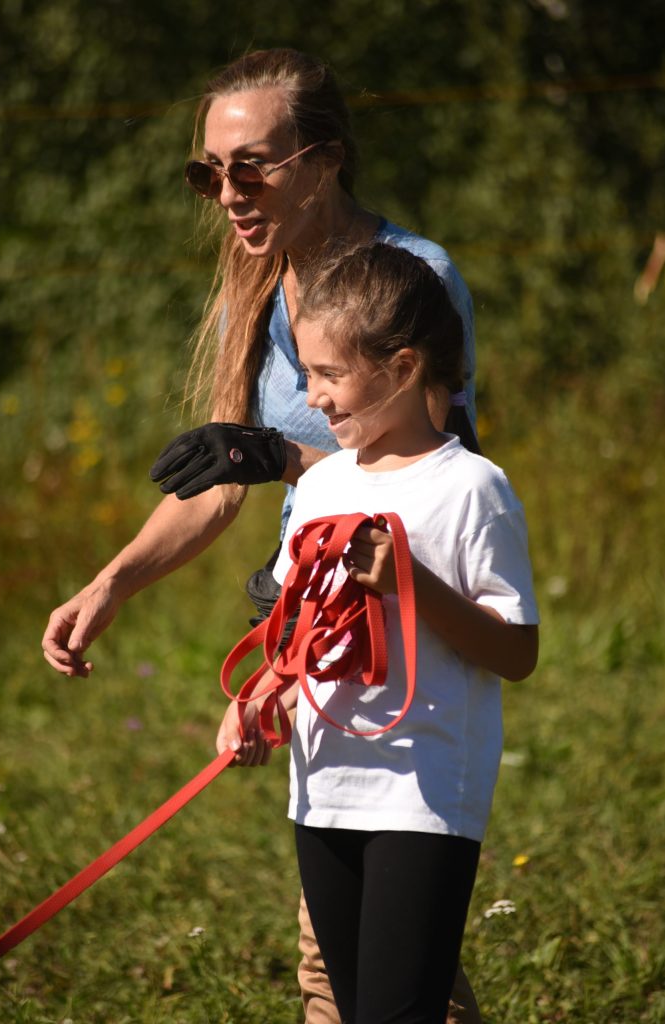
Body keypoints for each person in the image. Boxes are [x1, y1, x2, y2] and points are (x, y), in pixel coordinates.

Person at [41, 48, 481, 1022]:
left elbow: (441, 485)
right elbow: (221, 483)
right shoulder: (253, 285)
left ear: (323, 160)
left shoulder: (414, 281)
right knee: (353, 965)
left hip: (397, 649)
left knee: (370, 971)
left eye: (252, 166)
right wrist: (110, 583)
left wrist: (287, 458)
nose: (227, 191)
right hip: (308, 638)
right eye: (209, 171)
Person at [217, 242, 540, 1023]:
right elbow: (300, 633)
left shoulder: (472, 488)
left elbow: (517, 651)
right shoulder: (324, 483)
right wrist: (261, 696)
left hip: (421, 792)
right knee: (352, 1002)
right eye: (308, 373)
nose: (311, 396)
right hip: (323, 786)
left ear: (400, 369)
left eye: (329, 375)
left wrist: (412, 584)